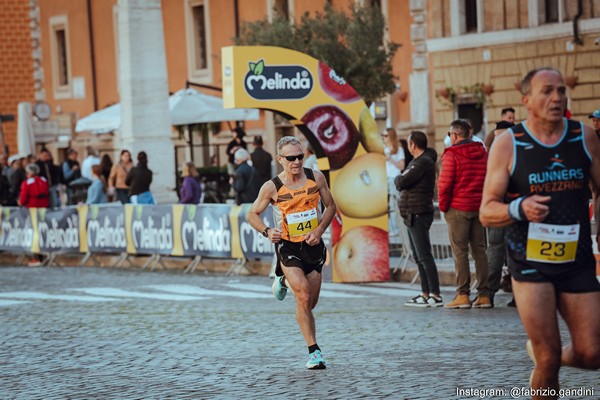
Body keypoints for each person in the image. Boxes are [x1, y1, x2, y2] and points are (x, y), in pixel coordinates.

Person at [480, 68, 600, 398]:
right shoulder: (508, 145)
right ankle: (547, 358)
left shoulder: (584, 137)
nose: (557, 97)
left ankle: (549, 357)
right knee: (547, 360)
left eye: (561, 90)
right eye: (547, 91)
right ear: (526, 100)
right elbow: (487, 210)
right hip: (530, 261)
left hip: (577, 260)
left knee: (592, 354)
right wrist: (519, 209)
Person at [247, 136, 337, 370]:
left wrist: (319, 230)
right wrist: (267, 231)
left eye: (300, 156)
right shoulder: (272, 187)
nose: (296, 161)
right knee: (304, 295)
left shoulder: (316, 177)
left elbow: (331, 206)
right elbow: (251, 214)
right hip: (288, 246)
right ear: (280, 159)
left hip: (313, 246)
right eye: (291, 158)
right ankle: (314, 351)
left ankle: (282, 279)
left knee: (309, 303)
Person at [438, 119, 491, 309]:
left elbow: (444, 185)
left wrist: (444, 207)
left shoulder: (451, 154)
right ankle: (484, 295)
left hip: (458, 208)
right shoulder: (482, 153)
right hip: (478, 207)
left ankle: (463, 295)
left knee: (460, 252)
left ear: (454, 135)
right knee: (480, 250)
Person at [395, 131, 443, 307]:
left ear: (413, 145)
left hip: (419, 212)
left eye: (408, 143)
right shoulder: (416, 162)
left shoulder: (423, 162)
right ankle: (425, 292)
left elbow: (401, 181)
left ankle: (435, 294)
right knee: (418, 256)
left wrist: (400, 178)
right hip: (411, 213)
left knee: (424, 255)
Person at [484, 120, 517, 308]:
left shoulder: (505, 156)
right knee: (497, 253)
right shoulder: (499, 155)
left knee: (512, 254)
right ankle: (488, 294)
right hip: (501, 210)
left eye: (500, 136)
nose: (497, 140)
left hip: (512, 211)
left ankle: (493, 294)